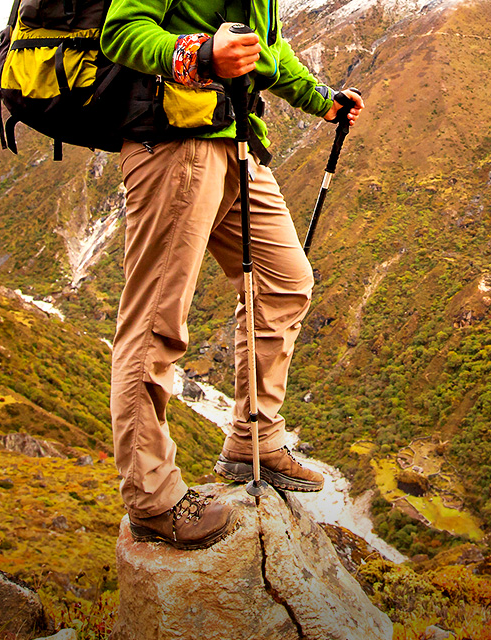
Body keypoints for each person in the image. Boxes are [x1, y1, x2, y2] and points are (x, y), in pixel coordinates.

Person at [101, 0, 364, 549]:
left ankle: (255, 439)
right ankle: (151, 499)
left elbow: (265, 46)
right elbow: (121, 32)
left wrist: (321, 100)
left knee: (287, 279)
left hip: (235, 141)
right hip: (172, 141)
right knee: (155, 323)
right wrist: (200, 53)